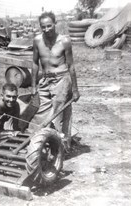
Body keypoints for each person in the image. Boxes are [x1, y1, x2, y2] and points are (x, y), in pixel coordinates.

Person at [30, 11, 80, 150]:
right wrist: (33, 85)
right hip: (45, 81)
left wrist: (75, 89)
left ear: (55, 24)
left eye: (49, 26)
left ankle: (61, 148)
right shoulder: (37, 41)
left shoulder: (65, 41)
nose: (46, 29)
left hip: (62, 80)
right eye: (43, 27)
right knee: (41, 113)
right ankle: (41, 144)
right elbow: (34, 63)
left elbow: (71, 65)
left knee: (59, 115)